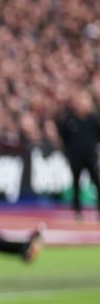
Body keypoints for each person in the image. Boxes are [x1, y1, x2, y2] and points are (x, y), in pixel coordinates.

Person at [56, 93, 100, 221]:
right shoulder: (70, 119)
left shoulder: (94, 118)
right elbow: (64, 137)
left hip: (91, 157)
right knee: (76, 184)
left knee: (97, 182)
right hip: (75, 157)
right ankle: (77, 210)